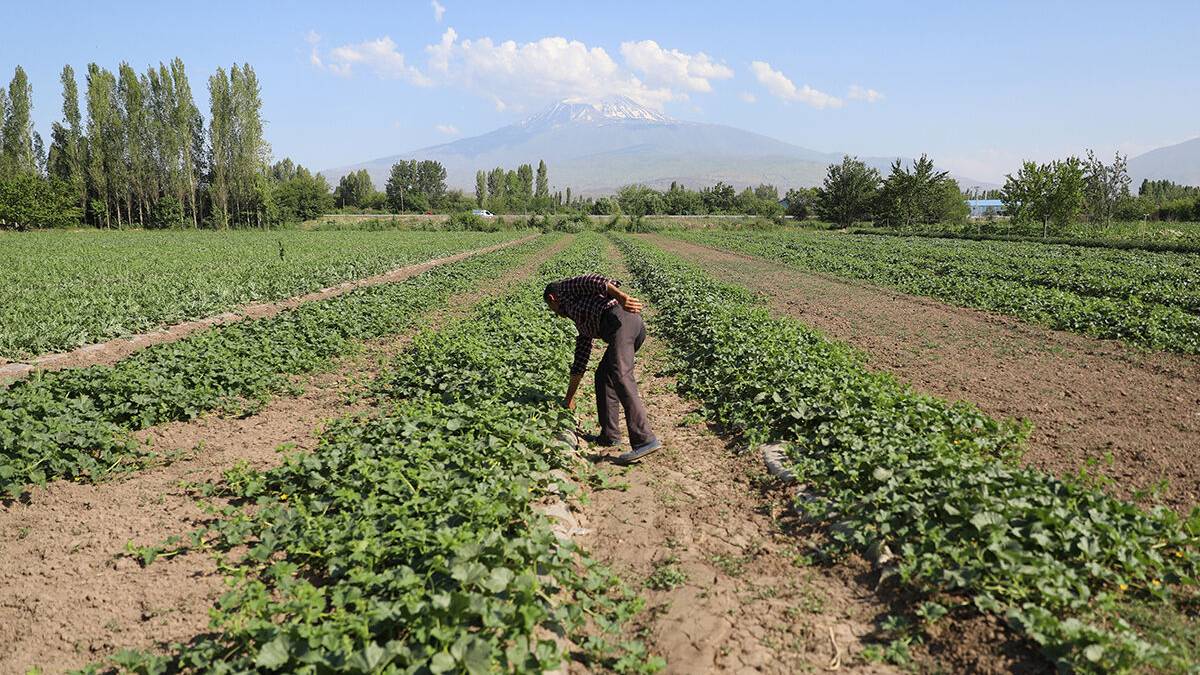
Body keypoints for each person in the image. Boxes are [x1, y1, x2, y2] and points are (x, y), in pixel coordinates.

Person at [544, 273, 662, 464]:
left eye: (552, 309)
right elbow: (580, 361)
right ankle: (609, 435)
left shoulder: (565, 288)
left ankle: (645, 440)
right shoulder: (579, 317)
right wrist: (569, 398)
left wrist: (622, 297)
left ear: (552, 299)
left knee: (620, 374)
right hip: (622, 328)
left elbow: (595, 281)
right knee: (602, 376)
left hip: (622, 320)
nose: (556, 314)